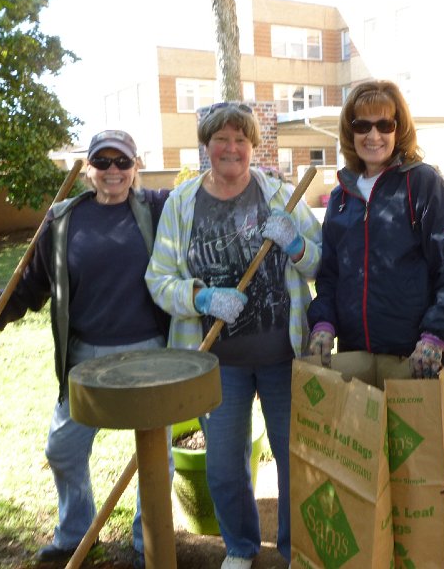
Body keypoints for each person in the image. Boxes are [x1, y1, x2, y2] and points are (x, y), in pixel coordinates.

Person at [0, 129, 171, 568]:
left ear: (136, 167)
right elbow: (31, 283)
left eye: (123, 162)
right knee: (63, 448)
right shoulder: (62, 219)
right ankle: (76, 532)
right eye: (103, 162)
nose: (113, 171)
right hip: (86, 356)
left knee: (156, 456)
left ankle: (150, 543)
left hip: (150, 353)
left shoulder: (158, 208)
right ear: (87, 170)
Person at [305, 80, 444, 568]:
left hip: (416, 359)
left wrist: (436, 335)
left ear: (399, 128)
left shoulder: (422, 184)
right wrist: (323, 323)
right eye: (362, 125)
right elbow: (331, 275)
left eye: (384, 123)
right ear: (350, 131)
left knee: (427, 484)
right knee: (367, 479)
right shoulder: (341, 198)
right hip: (360, 360)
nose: (374, 134)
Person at [145, 102, 322, 569]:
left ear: (252, 146)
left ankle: (294, 549)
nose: (231, 148)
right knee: (224, 464)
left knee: (294, 457)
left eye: (240, 139)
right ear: (206, 146)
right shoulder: (182, 204)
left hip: (283, 355)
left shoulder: (280, 195)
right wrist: (200, 298)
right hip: (216, 361)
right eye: (220, 139)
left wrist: (296, 245)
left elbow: (322, 262)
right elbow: (158, 279)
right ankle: (241, 547)